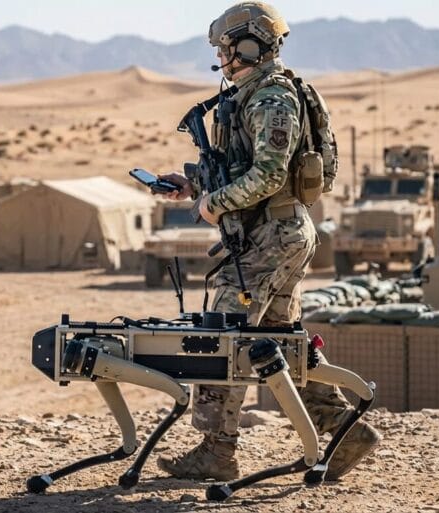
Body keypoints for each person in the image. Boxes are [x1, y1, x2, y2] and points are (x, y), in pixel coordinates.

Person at [154, 1, 380, 482]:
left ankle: (217, 451)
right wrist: (194, 186)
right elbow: (248, 170)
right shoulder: (255, 94)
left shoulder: (271, 98)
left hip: (272, 236)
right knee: (278, 341)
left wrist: (213, 204)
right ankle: (345, 433)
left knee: (224, 337)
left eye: (226, 49)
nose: (221, 58)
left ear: (250, 46)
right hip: (275, 233)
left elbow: (270, 175)